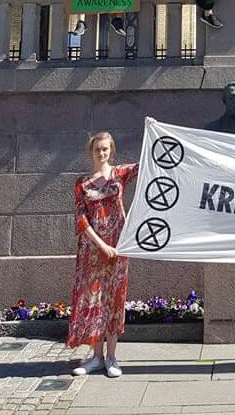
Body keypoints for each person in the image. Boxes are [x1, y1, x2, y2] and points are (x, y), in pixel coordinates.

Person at [67, 131, 138, 378]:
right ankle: (96, 357)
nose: (101, 153)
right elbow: (81, 219)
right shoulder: (82, 183)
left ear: (112, 150)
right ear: (91, 152)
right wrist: (100, 245)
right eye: (98, 149)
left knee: (114, 299)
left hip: (118, 248)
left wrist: (155, 131)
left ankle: (112, 357)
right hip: (92, 251)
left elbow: (147, 165)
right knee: (93, 301)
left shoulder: (119, 174)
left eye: (105, 149)